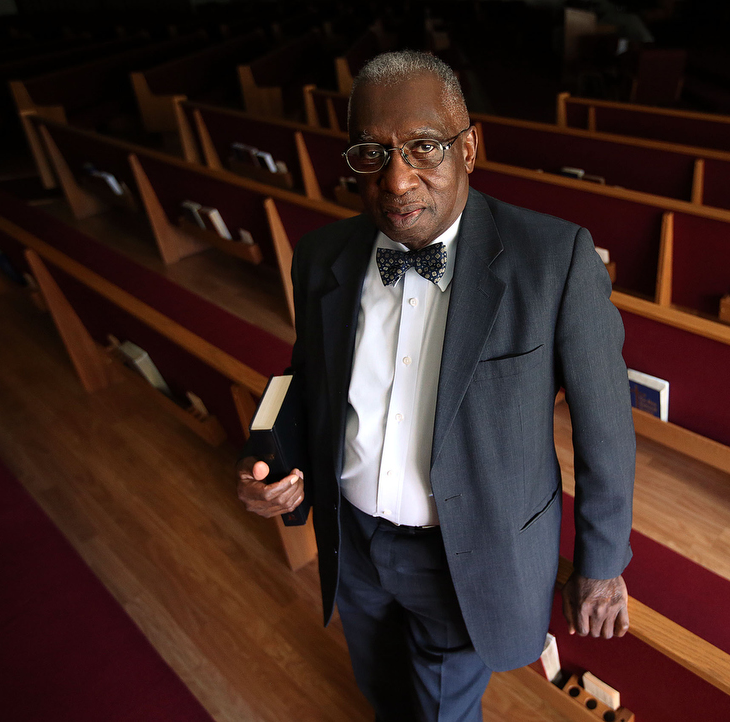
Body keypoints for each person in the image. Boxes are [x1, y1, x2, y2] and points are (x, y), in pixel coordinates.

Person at [236, 50, 636, 722]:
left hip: (466, 555)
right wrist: (268, 454)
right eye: (371, 152)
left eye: (424, 146)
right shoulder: (321, 254)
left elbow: (606, 425)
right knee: (383, 687)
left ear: (470, 147)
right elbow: (300, 376)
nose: (396, 180)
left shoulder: (554, 259)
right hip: (353, 540)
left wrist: (601, 561)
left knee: (445, 711)